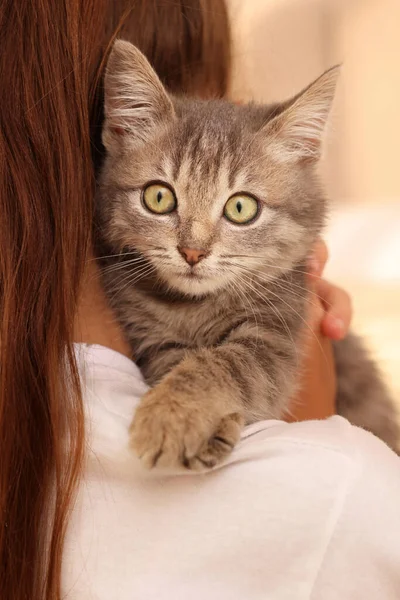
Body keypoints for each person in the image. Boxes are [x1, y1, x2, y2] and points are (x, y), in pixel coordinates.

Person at [0, 1, 398, 599]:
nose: (194, 247)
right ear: (116, 133)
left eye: (238, 210)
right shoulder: (348, 491)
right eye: (163, 199)